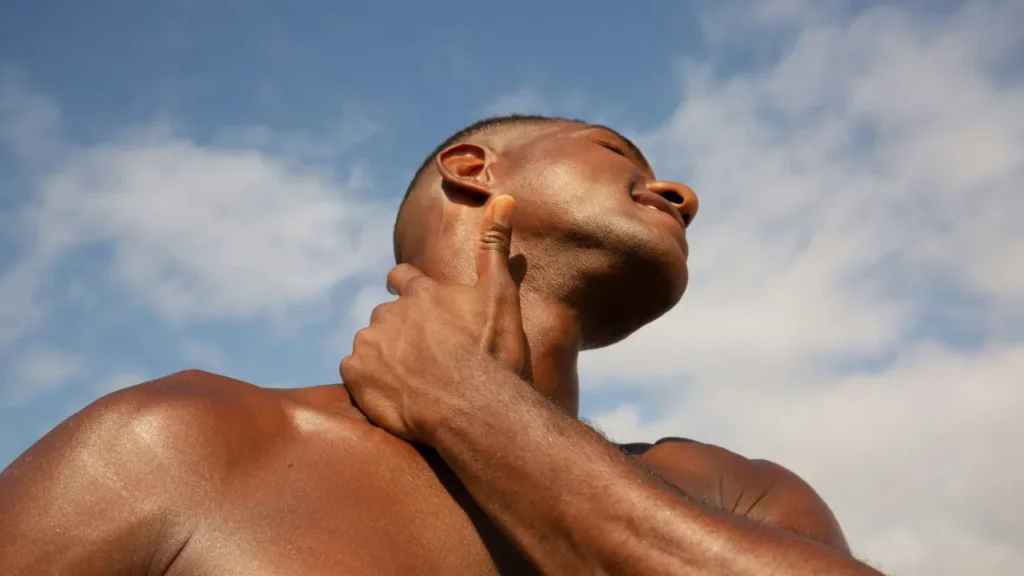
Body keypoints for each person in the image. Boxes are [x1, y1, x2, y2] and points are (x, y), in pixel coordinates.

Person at [0, 115, 882, 575]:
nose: (680, 193)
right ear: (473, 170)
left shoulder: (735, 490)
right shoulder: (182, 441)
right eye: (619, 154)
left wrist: (475, 410)